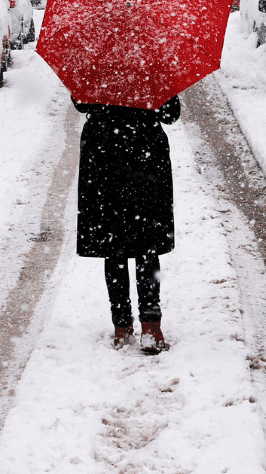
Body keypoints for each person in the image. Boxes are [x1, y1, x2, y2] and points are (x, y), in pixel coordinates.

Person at [73, 94, 181, 353]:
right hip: (146, 158)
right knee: (147, 246)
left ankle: (122, 328)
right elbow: (170, 114)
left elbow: (81, 104)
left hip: (104, 158)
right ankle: (151, 327)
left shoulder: (97, 62)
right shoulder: (154, 65)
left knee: (115, 246)